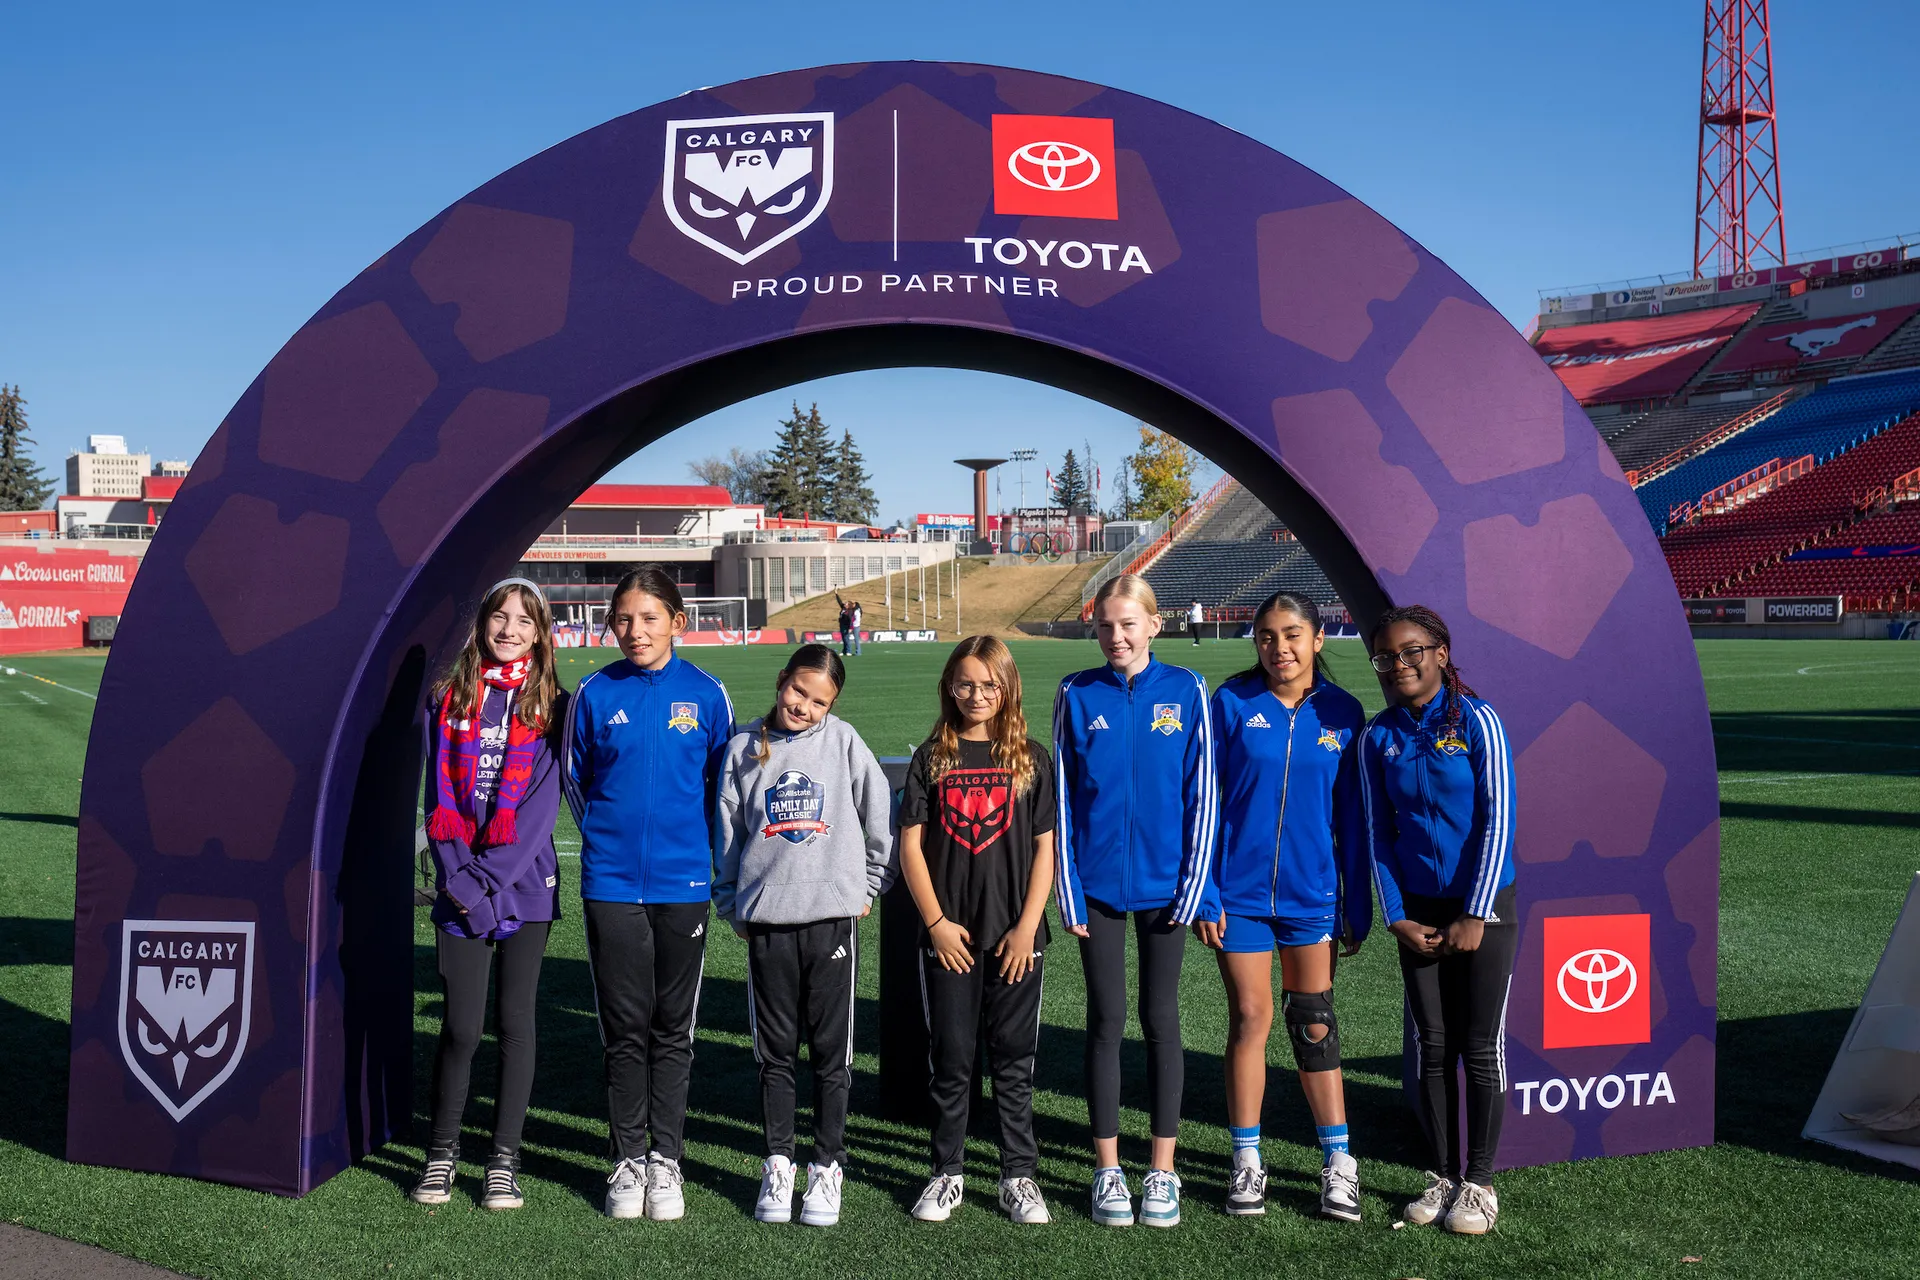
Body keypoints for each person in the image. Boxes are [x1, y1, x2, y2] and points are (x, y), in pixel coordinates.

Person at [562, 566, 735, 1222]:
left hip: (684, 883)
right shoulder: (594, 691)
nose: (635, 631)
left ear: (678, 622)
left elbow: (722, 786)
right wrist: (608, 841)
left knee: (673, 1026)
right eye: (624, 619)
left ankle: (667, 1160)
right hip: (609, 884)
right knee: (623, 1027)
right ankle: (627, 1159)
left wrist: (700, 856)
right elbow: (575, 779)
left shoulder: (708, 693)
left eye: (650, 618)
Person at [1053, 573, 1217, 1228]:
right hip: (1095, 889)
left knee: (1161, 1020)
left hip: (1167, 888)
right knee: (1105, 1021)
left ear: (1155, 623)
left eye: (1127, 623)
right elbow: (1060, 800)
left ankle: (1162, 1171)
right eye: (1104, 625)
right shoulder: (1075, 691)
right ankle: (1108, 1170)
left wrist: (1194, 883)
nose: (1115, 636)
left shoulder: (1187, 690)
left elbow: (1203, 791)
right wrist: (1067, 889)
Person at [1199, 592, 1369, 1221]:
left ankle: (1338, 1164)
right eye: (1267, 637)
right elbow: (1208, 805)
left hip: (1312, 898)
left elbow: (1352, 819)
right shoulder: (1232, 704)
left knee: (1314, 1023)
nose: (1280, 649)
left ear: (1318, 639)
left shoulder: (1344, 713)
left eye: (1292, 635)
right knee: (1250, 1018)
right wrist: (1207, 890)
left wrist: (1357, 902)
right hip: (1237, 897)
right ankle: (1247, 1162)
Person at [714, 644, 895, 1228]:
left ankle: (826, 1164)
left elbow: (878, 810)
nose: (805, 706)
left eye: (819, 701)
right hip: (768, 920)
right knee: (775, 1053)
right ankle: (779, 1161)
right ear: (781, 681)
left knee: (831, 1053)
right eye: (798, 691)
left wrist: (868, 884)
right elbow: (727, 830)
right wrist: (731, 901)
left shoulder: (842, 741)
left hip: (830, 918)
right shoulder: (743, 748)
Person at [1360, 604, 1517, 1236]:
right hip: (1417, 913)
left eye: (1411, 651)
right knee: (1432, 1044)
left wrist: (1476, 912)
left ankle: (1478, 1183)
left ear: (1442, 653)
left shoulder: (1479, 722)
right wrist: (1396, 915)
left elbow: (1498, 820)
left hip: (1484, 907)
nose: (1399, 665)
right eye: (1387, 657)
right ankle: (1443, 1173)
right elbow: (1378, 833)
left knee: (1478, 1046)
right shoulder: (1380, 736)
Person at [412, 579, 566, 1212]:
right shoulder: (446, 699)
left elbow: (538, 814)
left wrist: (483, 884)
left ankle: (503, 1160)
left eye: (523, 622)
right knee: (461, 1027)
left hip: (524, 886)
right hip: (458, 885)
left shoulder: (555, 704)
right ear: (482, 625)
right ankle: (441, 1154)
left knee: (515, 1024)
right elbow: (435, 802)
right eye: (499, 617)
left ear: (540, 634)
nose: (509, 629)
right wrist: (462, 883)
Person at [897, 636, 1056, 1225]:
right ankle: (947, 1172)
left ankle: (1019, 1174)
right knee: (953, 1059)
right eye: (965, 683)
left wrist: (1027, 927)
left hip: (1016, 938)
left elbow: (1045, 849)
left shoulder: (1031, 758)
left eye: (990, 684)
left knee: (1015, 1059)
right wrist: (936, 923)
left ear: (1009, 687)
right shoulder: (931, 759)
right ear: (948, 686)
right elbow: (910, 845)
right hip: (950, 941)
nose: (977, 695)